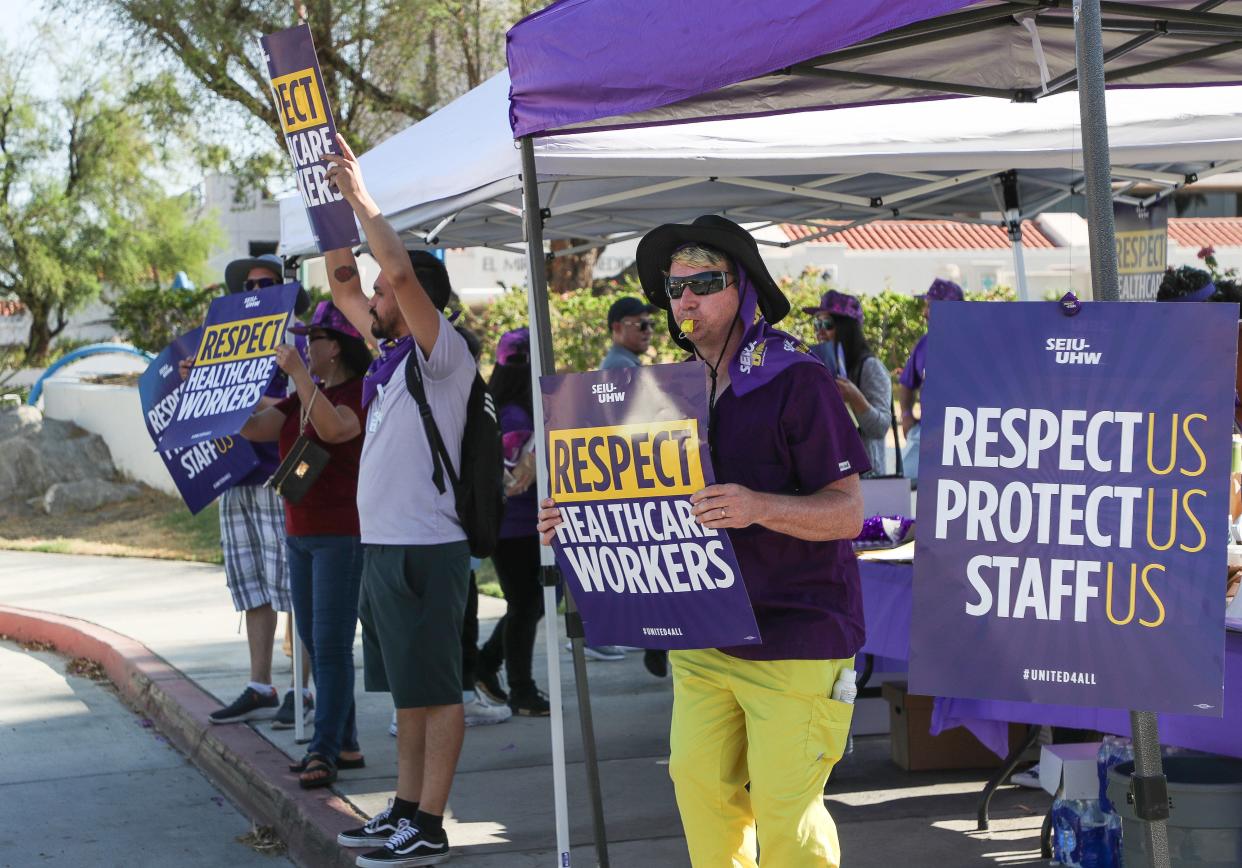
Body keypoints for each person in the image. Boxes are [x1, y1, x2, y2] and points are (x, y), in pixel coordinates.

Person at [538, 215, 868, 868]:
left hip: (796, 635)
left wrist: (756, 507)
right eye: (674, 287)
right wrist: (572, 516)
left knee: (788, 820)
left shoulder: (798, 378)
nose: (683, 299)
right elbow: (639, 503)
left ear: (742, 286)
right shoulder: (666, 391)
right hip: (704, 632)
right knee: (699, 791)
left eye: (703, 282)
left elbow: (848, 514)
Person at [322, 136, 473, 867]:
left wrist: (361, 196)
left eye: (385, 295)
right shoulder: (390, 365)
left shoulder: (443, 357)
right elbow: (346, 285)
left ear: (415, 303)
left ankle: (433, 825)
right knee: (407, 695)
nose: (372, 299)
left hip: (425, 548)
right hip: (385, 549)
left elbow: (397, 272)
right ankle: (407, 808)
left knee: (435, 690)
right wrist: (328, 213)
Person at [238, 301, 370, 789]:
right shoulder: (300, 396)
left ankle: (325, 749)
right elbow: (255, 428)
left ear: (334, 347)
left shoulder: (358, 393)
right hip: (299, 532)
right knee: (315, 643)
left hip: (341, 534)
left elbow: (334, 429)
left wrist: (297, 376)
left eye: (311, 340)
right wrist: (222, 385)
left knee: (331, 647)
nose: (302, 349)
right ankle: (348, 742)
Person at [194, 253, 311, 729]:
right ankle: (261, 684)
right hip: (234, 474)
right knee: (249, 583)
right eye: (250, 285)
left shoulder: (298, 337)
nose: (257, 292)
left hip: (279, 474)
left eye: (268, 284)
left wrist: (243, 397)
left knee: (293, 583)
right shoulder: (227, 341)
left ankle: (303, 688)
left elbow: (309, 399)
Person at [474, 327, 553, 716]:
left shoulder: (497, 404)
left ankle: (487, 664)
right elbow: (513, 473)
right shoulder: (517, 413)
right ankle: (520, 688)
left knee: (528, 603)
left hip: (512, 524)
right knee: (526, 605)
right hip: (517, 524)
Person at [803, 290, 893, 476]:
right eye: (816, 323)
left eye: (827, 324)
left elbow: (880, 428)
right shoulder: (818, 366)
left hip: (866, 479)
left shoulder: (870, 368)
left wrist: (854, 397)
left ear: (846, 327)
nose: (819, 331)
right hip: (829, 473)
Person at [897, 277, 962, 480]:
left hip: (965, 439)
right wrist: (906, 414)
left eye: (930, 307)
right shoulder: (926, 344)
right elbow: (907, 383)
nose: (924, 313)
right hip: (927, 434)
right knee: (903, 483)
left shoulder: (974, 343)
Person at [601, 295, 657, 370]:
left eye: (651, 324)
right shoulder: (621, 365)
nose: (649, 331)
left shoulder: (622, 362)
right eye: (642, 324)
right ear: (617, 327)